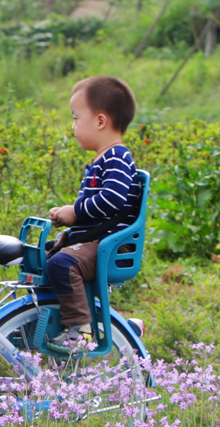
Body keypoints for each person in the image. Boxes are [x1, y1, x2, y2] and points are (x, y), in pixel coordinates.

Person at [42, 76, 144, 355]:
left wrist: (73, 213)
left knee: (63, 264)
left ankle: (81, 329)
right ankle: (56, 319)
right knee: (47, 257)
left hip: (110, 245)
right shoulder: (103, 160)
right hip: (97, 241)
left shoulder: (118, 158)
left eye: (76, 118)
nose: (72, 126)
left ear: (100, 121)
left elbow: (112, 200)